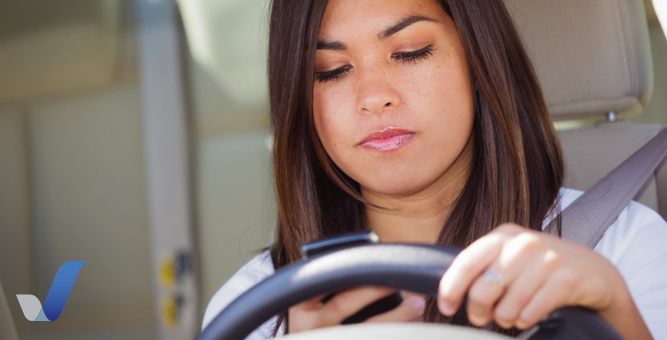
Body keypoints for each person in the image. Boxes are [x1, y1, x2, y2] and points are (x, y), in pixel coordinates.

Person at [202, 0, 667, 338]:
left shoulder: (622, 253)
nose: (373, 96)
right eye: (331, 70)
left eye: (410, 52)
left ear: (480, 58)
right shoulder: (258, 308)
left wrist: (617, 313)